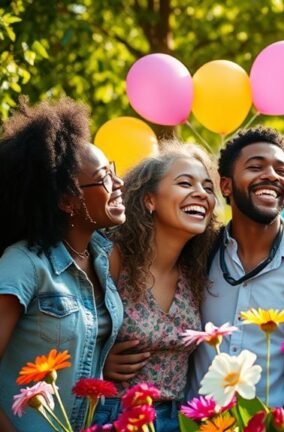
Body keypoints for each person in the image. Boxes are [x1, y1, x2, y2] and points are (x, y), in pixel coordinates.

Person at [0, 99, 126, 431]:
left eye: (114, 172)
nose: (119, 184)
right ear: (67, 201)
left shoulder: (102, 259)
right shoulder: (22, 264)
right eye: (104, 179)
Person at [190, 126, 284, 407]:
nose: (271, 175)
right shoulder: (197, 253)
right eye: (255, 166)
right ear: (226, 185)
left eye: (282, 172)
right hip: (195, 423)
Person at [92, 143, 219, 431]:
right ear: (150, 199)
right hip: (114, 415)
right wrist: (99, 364)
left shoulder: (196, 271)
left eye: (208, 188)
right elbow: (68, 331)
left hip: (178, 419)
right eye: (185, 183)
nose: (201, 193)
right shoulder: (112, 258)